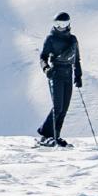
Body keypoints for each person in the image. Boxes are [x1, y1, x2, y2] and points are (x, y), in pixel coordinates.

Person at [36, 12, 83, 148]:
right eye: (57, 24)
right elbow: (42, 57)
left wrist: (78, 76)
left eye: (63, 24)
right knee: (58, 107)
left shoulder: (73, 39)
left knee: (64, 108)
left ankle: (56, 136)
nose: (60, 27)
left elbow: (76, 59)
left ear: (68, 24)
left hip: (68, 75)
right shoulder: (50, 39)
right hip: (55, 74)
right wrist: (46, 69)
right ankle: (46, 136)